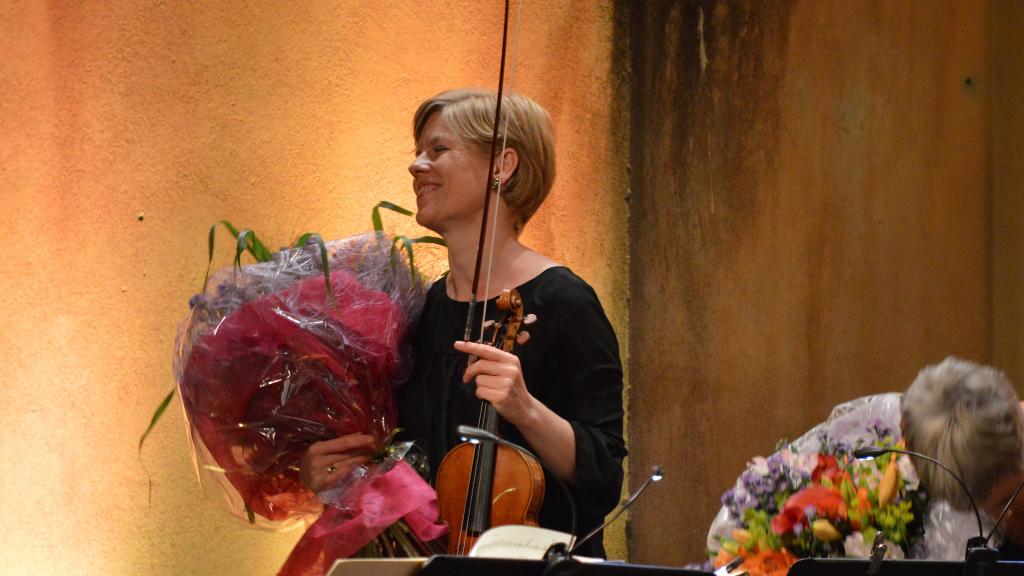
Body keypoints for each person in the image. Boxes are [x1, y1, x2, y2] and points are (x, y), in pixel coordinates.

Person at [301, 88, 627, 558]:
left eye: (438, 150)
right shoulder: (423, 308)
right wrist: (330, 472)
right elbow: (403, 459)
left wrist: (525, 408)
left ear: (503, 166)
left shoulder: (566, 303)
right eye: (417, 152)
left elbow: (605, 476)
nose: (416, 166)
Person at [706, 356, 1024, 562]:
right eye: (996, 509)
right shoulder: (877, 441)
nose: (1008, 518)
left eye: (1010, 498)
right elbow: (731, 530)